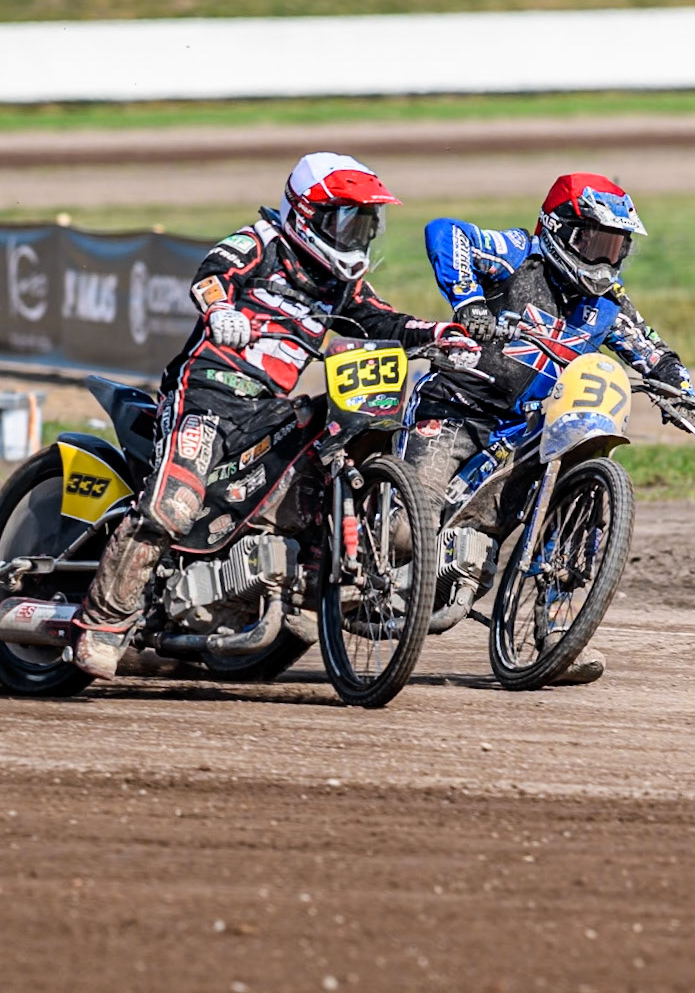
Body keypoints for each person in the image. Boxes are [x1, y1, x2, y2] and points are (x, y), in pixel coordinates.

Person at [71, 152, 481, 679]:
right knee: (175, 503)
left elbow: (380, 319)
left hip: (265, 409)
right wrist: (220, 311)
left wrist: (437, 335)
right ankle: (102, 623)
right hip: (207, 395)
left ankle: (299, 574)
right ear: (307, 215)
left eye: (367, 223)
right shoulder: (263, 241)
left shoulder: (340, 284)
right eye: (347, 221)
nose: (358, 235)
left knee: (322, 434)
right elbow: (212, 274)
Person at [404, 172, 695, 685]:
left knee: (577, 484)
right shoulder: (518, 253)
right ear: (559, 230)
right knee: (406, 530)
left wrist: (680, 387)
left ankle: (551, 633)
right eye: (595, 243)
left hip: (527, 428)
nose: (606, 259)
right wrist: (470, 303)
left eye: (617, 247)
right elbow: (445, 230)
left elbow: (649, 349)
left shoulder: (608, 303)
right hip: (457, 409)